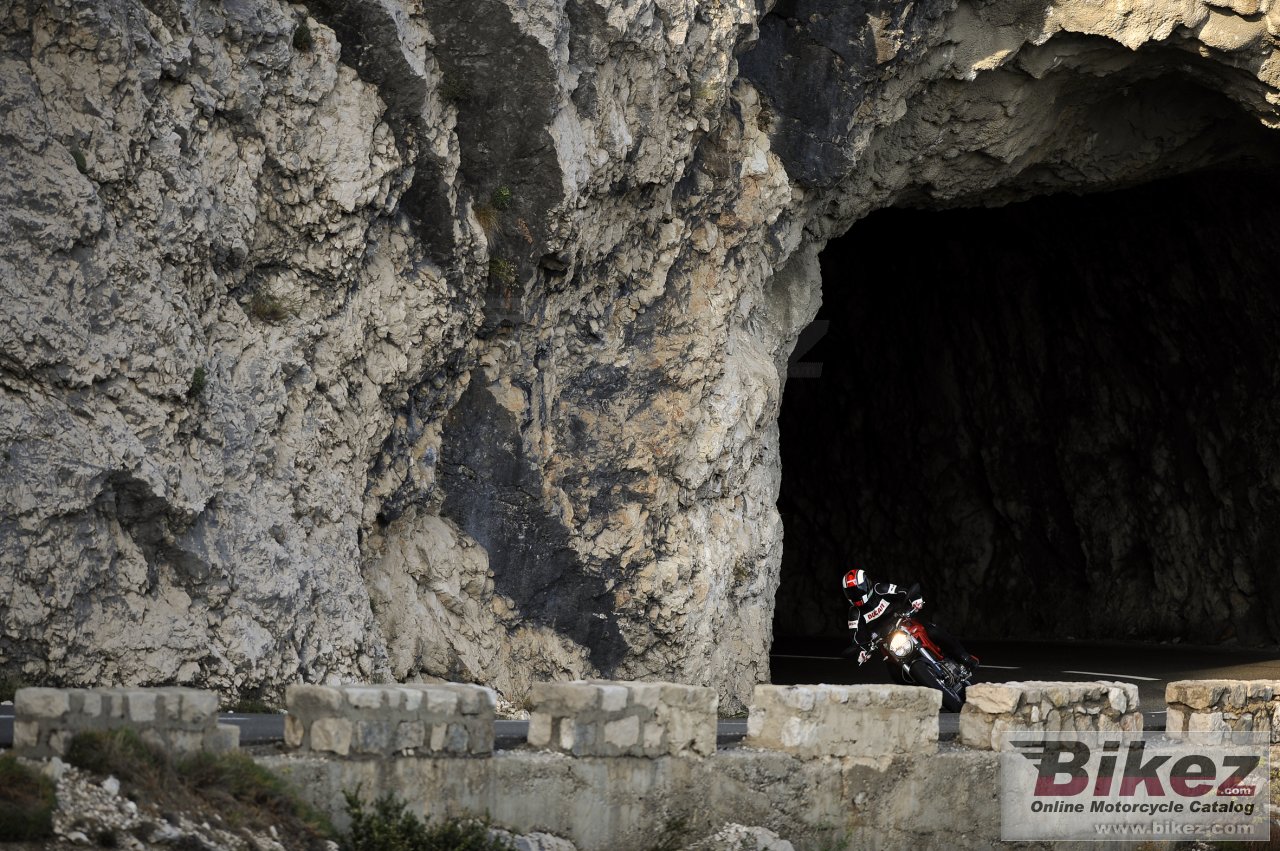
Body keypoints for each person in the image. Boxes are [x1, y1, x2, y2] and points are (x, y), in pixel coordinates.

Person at [842, 568, 980, 671]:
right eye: (851, 592)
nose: (856, 594)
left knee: (931, 631)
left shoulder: (880, 589)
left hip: (903, 622)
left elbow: (902, 592)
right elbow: (856, 636)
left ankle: (964, 656)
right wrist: (861, 649)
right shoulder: (854, 613)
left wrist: (915, 599)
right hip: (884, 640)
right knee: (892, 668)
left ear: (866, 584)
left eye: (857, 590)